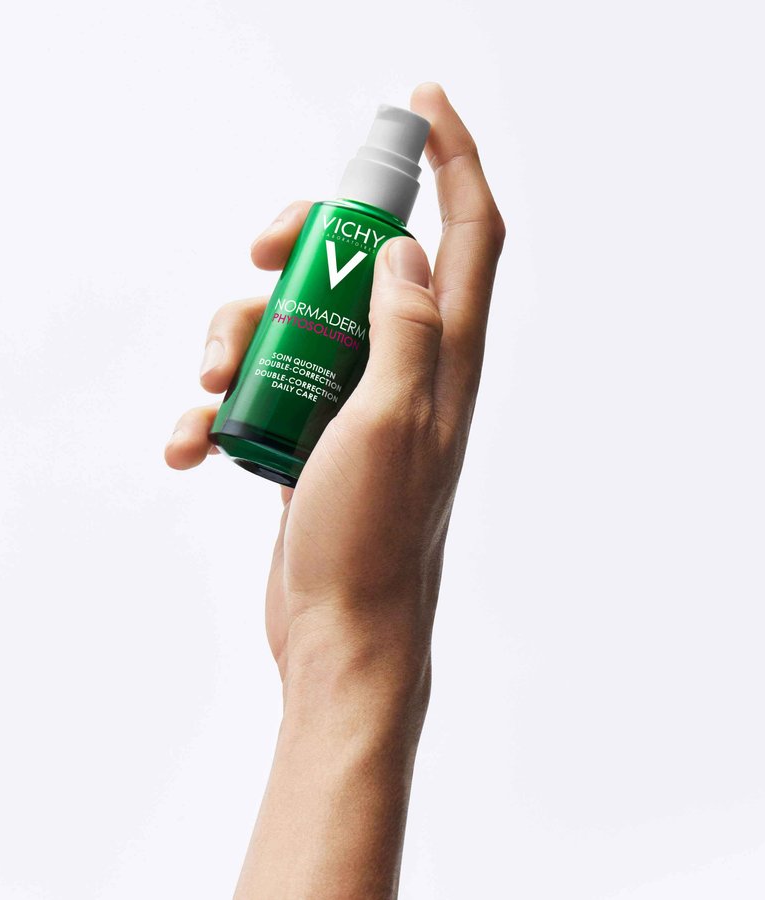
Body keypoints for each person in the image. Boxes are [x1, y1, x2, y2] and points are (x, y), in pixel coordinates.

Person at [164, 82, 505, 898]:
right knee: (302, 322)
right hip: (336, 606)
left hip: (333, 591)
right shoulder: (344, 225)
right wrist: (347, 631)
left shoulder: (363, 234)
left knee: (311, 321)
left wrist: (345, 628)